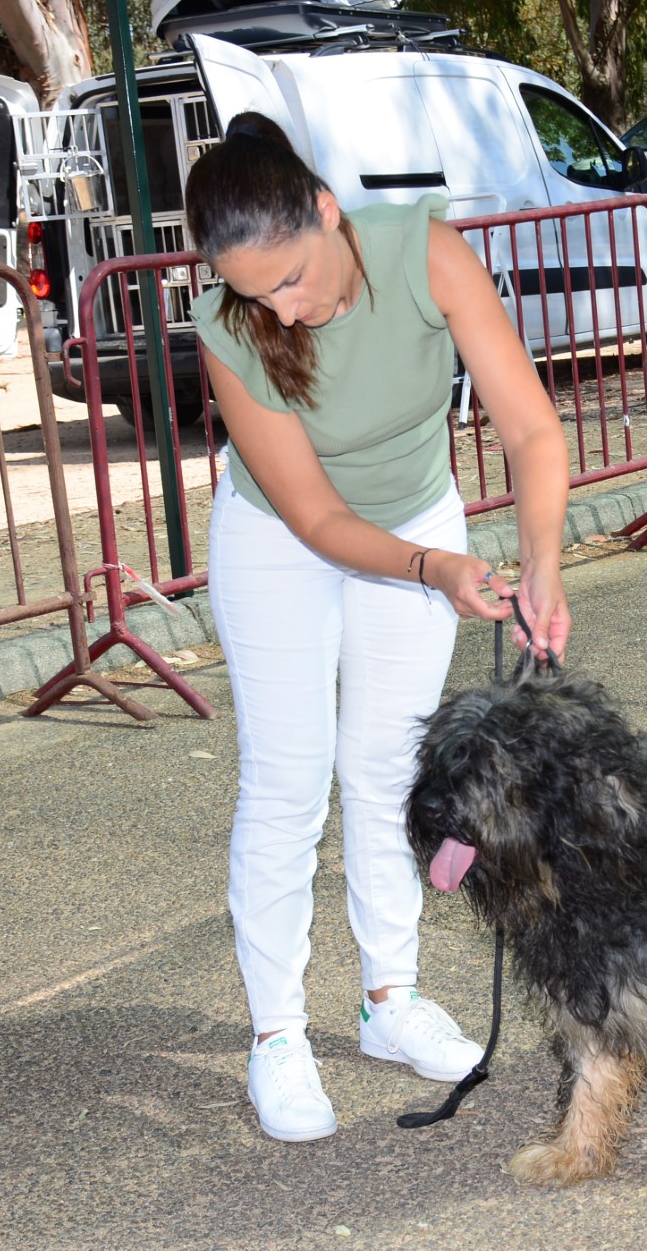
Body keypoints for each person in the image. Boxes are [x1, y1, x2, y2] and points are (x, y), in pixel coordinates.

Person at [183, 112, 572, 1145]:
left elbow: (532, 425)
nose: (285, 308)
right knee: (288, 776)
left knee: (392, 769)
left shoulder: (423, 250)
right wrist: (433, 570)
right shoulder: (231, 328)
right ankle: (276, 1033)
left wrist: (540, 559)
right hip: (284, 541)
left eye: (293, 278)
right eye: (260, 292)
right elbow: (314, 518)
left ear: (326, 210)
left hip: (415, 518)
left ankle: (389, 1000)